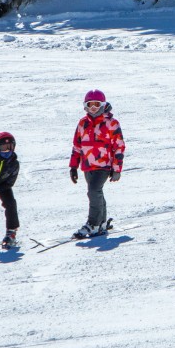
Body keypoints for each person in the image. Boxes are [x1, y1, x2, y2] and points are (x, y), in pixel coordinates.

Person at [69, 89, 126, 238]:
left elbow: (119, 146)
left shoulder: (111, 123)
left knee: (93, 191)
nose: (93, 108)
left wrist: (116, 169)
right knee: (97, 192)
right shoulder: (82, 123)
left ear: (103, 104)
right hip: (88, 166)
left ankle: (92, 224)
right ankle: (101, 223)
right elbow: (77, 146)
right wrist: (73, 166)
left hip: (104, 165)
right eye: (90, 104)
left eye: (97, 104)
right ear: (85, 106)